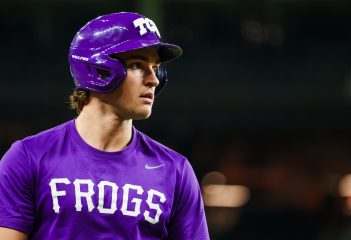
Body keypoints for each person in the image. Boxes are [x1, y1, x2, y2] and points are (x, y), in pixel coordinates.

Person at [0, 12, 209, 240]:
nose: (154, 79)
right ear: (98, 70)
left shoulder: (175, 171)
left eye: (155, 67)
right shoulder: (29, 158)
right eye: (138, 65)